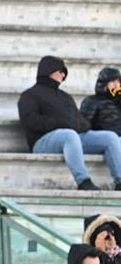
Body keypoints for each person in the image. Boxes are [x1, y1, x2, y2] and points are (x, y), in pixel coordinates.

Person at [19, 55, 121, 191]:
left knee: (110, 137)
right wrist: (59, 123)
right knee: (69, 134)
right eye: (61, 71)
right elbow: (30, 121)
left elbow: (80, 120)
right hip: (42, 141)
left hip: (72, 137)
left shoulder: (65, 97)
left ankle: (120, 181)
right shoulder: (29, 96)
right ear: (49, 71)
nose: (63, 75)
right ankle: (83, 181)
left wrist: (80, 125)